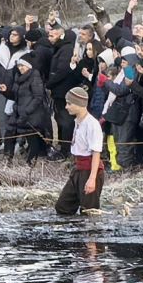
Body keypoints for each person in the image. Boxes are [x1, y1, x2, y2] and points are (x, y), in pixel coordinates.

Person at [55, 87, 105, 215]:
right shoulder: (78, 121)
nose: (66, 107)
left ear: (79, 104)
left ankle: (90, 234)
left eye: (69, 103)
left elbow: (96, 153)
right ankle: (73, 233)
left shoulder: (92, 124)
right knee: (63, 207)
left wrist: (92, 179)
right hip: (78, 169)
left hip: (89, 170)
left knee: (89, 212)